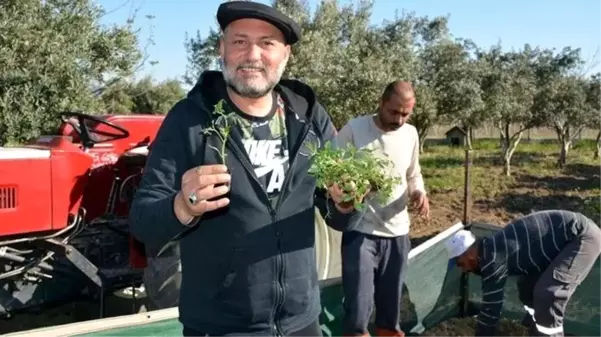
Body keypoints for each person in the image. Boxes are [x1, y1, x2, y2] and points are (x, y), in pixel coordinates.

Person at [128, 1, 358, 337]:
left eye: (267, 43)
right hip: (220, 326)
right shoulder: (189, 120)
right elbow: (142, 222)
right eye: (240, 41)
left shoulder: (309, 117)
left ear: (286, 54)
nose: (253, 54)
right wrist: (181, 205)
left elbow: (337, 212)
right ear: (222, 48)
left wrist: (344, 203)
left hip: (302, 321)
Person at [334, 81, 430, 337]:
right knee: (358, 308)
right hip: (360, 232)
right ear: (381, 102)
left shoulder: (410, 134)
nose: (399, 119)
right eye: (394, 112)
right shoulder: (355, 129)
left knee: (390, 308)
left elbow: (413, 173)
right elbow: (330, 170)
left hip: (398, 235)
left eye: (405, 114)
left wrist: (419, 192)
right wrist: (350, 189)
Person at [446, 210, 601, 337]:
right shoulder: (490, 249)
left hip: (582, 237)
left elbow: (491, 310)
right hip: (562, 241)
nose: (464, 269)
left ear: (470, 254)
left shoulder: (492, 258)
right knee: (526, 287)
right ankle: (533, 329)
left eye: (461, 263)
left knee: (549, 293)